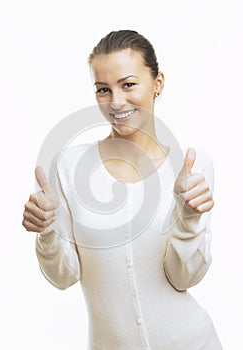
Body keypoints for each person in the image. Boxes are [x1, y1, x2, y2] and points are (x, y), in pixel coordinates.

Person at [22, 30, 222, 349]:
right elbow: (63, 277)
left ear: (158, 83)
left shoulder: (191, 168)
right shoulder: (67, 166)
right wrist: (47, 232)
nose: (116, 101)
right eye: (103, 89)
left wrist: (188, 218)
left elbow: (184, 277)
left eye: (128, 84)